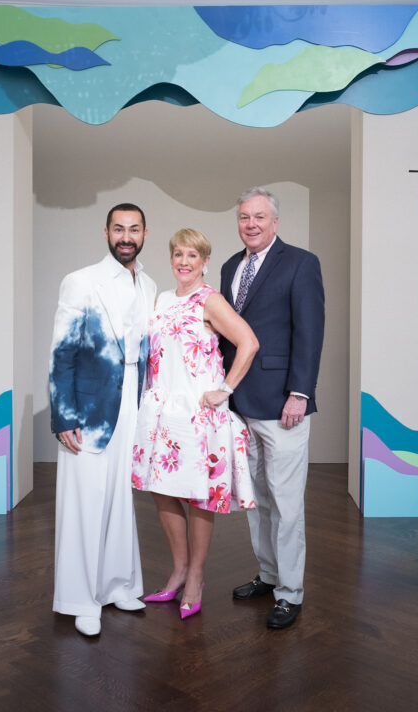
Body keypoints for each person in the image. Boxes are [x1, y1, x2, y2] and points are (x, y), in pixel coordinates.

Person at [132, 228, 259, 620]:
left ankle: (196, 577)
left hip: (197, 413)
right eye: (178, 254)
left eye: (192, 255)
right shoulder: (161, 299)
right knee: (162, 491)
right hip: (161, 410)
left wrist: (224, 389)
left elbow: (249, 342)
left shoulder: (210, 300)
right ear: (171, 259)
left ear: (205, 262)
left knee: (198, 495)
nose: (184, 262)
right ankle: (178, 571)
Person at [49, 203, 157, 637]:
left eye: (134, 229)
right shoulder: (81, 281)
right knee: (85, 500)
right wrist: (64, 415)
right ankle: (80, 599)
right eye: (118, 229)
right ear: (107, 232)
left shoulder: (149, 284)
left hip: (133, 401)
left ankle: (118, 586)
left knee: (120, 498)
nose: (126, 237)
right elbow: (62, 352)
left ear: (145, 234)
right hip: (89, 409)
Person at [220, 187, 325, 630]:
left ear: (275, 222)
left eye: (260, 217)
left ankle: (290, 593)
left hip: (283, 404)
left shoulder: (301, 263)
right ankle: (268, 575)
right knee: (257, 500)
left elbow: (310, 331)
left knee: (286, 503)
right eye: (244, 217)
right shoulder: (230, 266)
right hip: (240, 405)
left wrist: (300, 393)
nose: (251, 224)